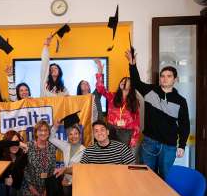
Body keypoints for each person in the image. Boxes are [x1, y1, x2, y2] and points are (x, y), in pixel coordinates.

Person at [125, 50, 190, 180]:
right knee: (144, 177)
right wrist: (132, 66)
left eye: (169, 76)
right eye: (162, 76)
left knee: (165, 178)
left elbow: (184, 125)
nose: (165, 78)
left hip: (169, 146)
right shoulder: (150, 91)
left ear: (175, 79)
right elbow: (136, 82)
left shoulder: (181, 101)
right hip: (149, 142)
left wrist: (182, 145)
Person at [54, 120, 135, 177]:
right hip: (97, 186)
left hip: (118, 184)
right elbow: (79, 168)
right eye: (96, 131)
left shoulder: (122, 147)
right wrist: (64, 169)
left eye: (102, 130)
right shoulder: (89, 150)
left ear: (107, 132)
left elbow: (131, 169)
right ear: (93, 134)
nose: (99, 133)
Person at [95, 58, 140, 149]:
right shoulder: (112, 96)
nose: (123, 82)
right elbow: (100, 88)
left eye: (126, 81)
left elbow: (136, 123)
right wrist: (100, 72)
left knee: (123, 157)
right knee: (109, 155)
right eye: (122, 81)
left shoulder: (135, 102)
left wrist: (134, 139)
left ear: (131, 86)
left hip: (125, 133)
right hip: (110, 130)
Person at [17, 120, 59, 196]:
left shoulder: (52, 148)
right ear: (35, 132)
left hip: (45, 184)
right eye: (40, 130)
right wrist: (31, 188)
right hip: (30, 183)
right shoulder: (28, 146)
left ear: (49, 132)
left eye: (45, 130)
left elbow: (52, 169)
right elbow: (24, 169)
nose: (43, 133)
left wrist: (46, 189)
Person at [48, 119, 86, 196]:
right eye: (70, 134)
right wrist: (56, 126)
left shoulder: (85, 151)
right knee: (58, 189)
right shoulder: (65, 146)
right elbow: (50, 138)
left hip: (79, 182)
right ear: (68, 136)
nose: (73, 136)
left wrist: (69, 183)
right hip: (66, 179)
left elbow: (82, 172)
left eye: (75, 133)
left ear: (80, 135)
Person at [41, 33, 69, 97]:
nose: (53, 69)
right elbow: (45, 61)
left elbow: (67, 103)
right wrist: (46, 44)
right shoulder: (44, 82)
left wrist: (67, 98)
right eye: (51, 68)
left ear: (59, 72)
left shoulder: (63, 89)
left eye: (55, 68)